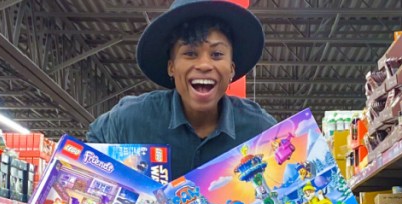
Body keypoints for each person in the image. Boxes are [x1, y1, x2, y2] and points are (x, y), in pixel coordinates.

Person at [86, 0, 277, 178]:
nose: (204, 64)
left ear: (231, 70)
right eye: (190, 53)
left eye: (217, 54)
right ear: (171, 67)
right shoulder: (131, 119)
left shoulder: (261, 131)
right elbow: (92, 143)